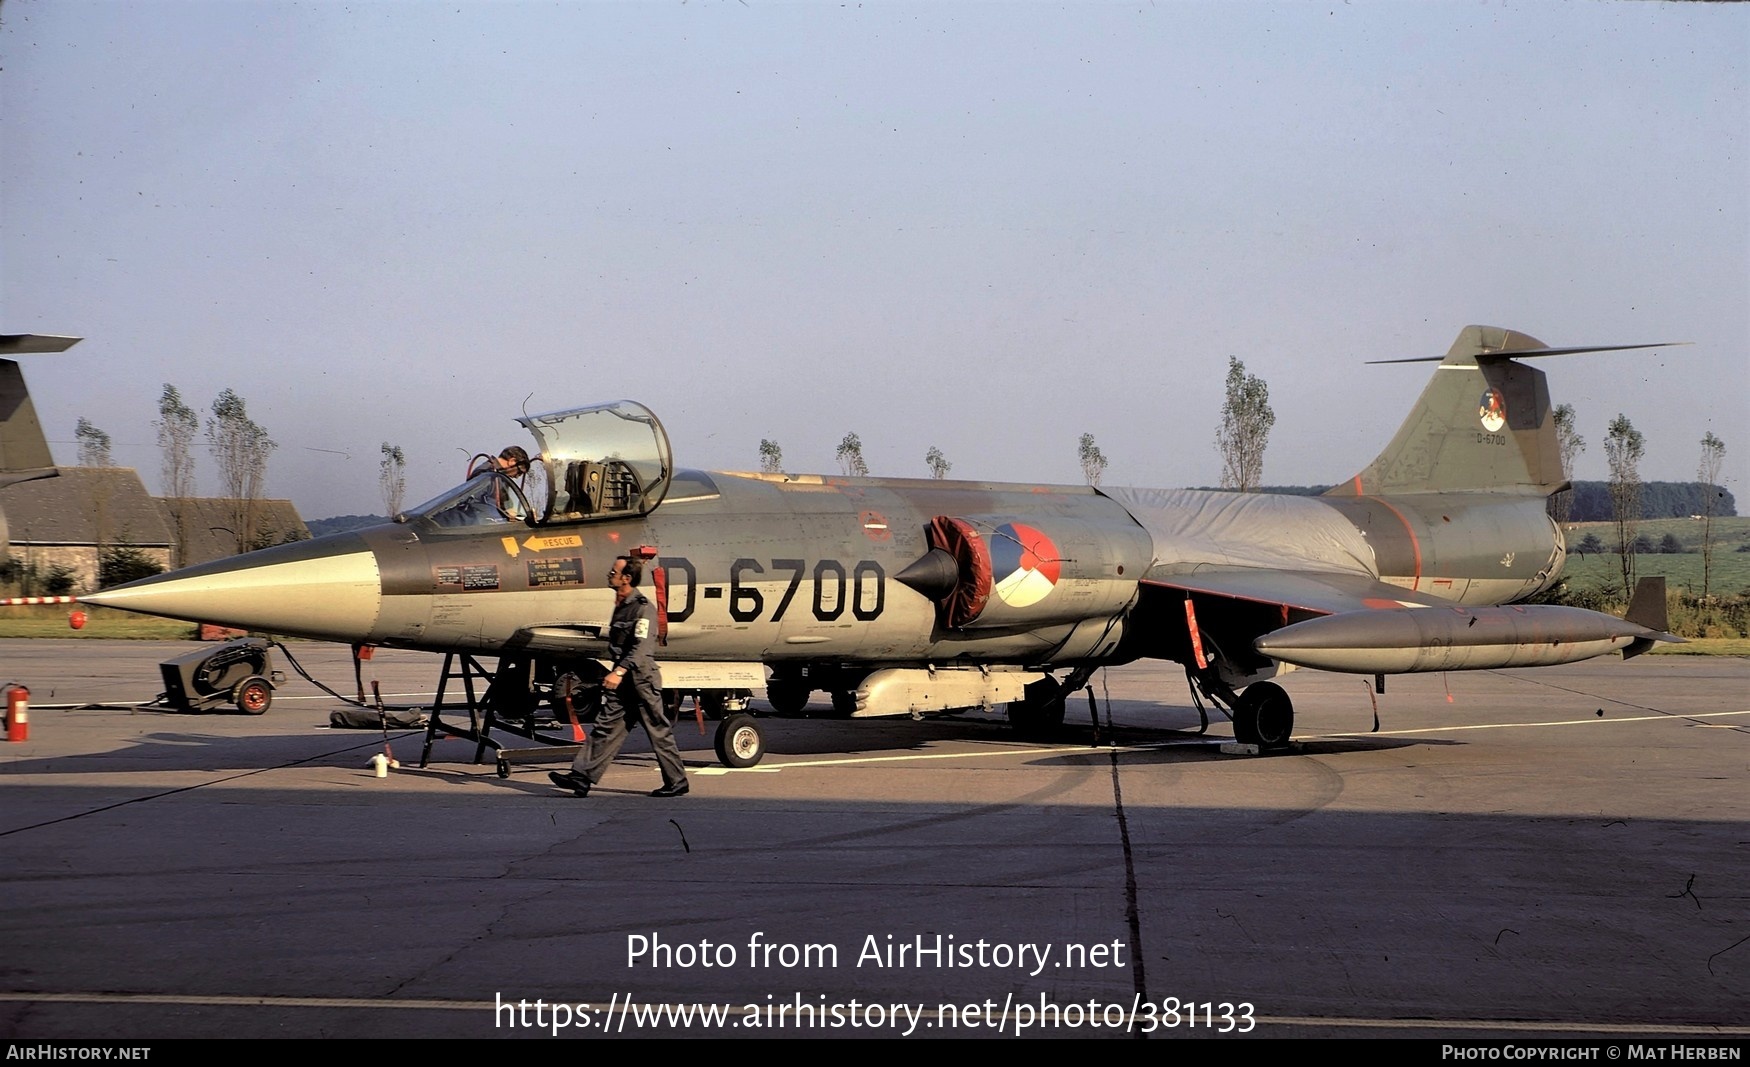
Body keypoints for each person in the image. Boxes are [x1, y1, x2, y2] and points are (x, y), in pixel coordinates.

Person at [548, 555, 690, 798]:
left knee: (658, 731)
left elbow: (642, 648)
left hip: (641, 680)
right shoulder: (621, 606)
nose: (609, 575)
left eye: (613, 572)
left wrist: (619, 671)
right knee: (605, 727)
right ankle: (581, 778)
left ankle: (677, 781)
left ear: (626, 578)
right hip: (624, 681)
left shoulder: (643, 608)